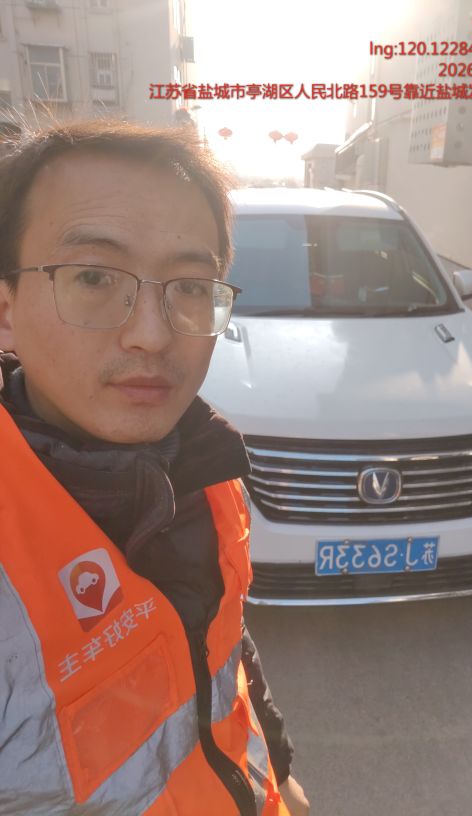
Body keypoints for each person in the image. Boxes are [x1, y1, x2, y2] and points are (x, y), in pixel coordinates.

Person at [0, 120, 310, 816]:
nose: (152, 334)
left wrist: (280, 766)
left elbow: (222, 643)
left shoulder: (203, 463)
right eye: (93, 277)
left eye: (192, 287)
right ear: (5, 310)